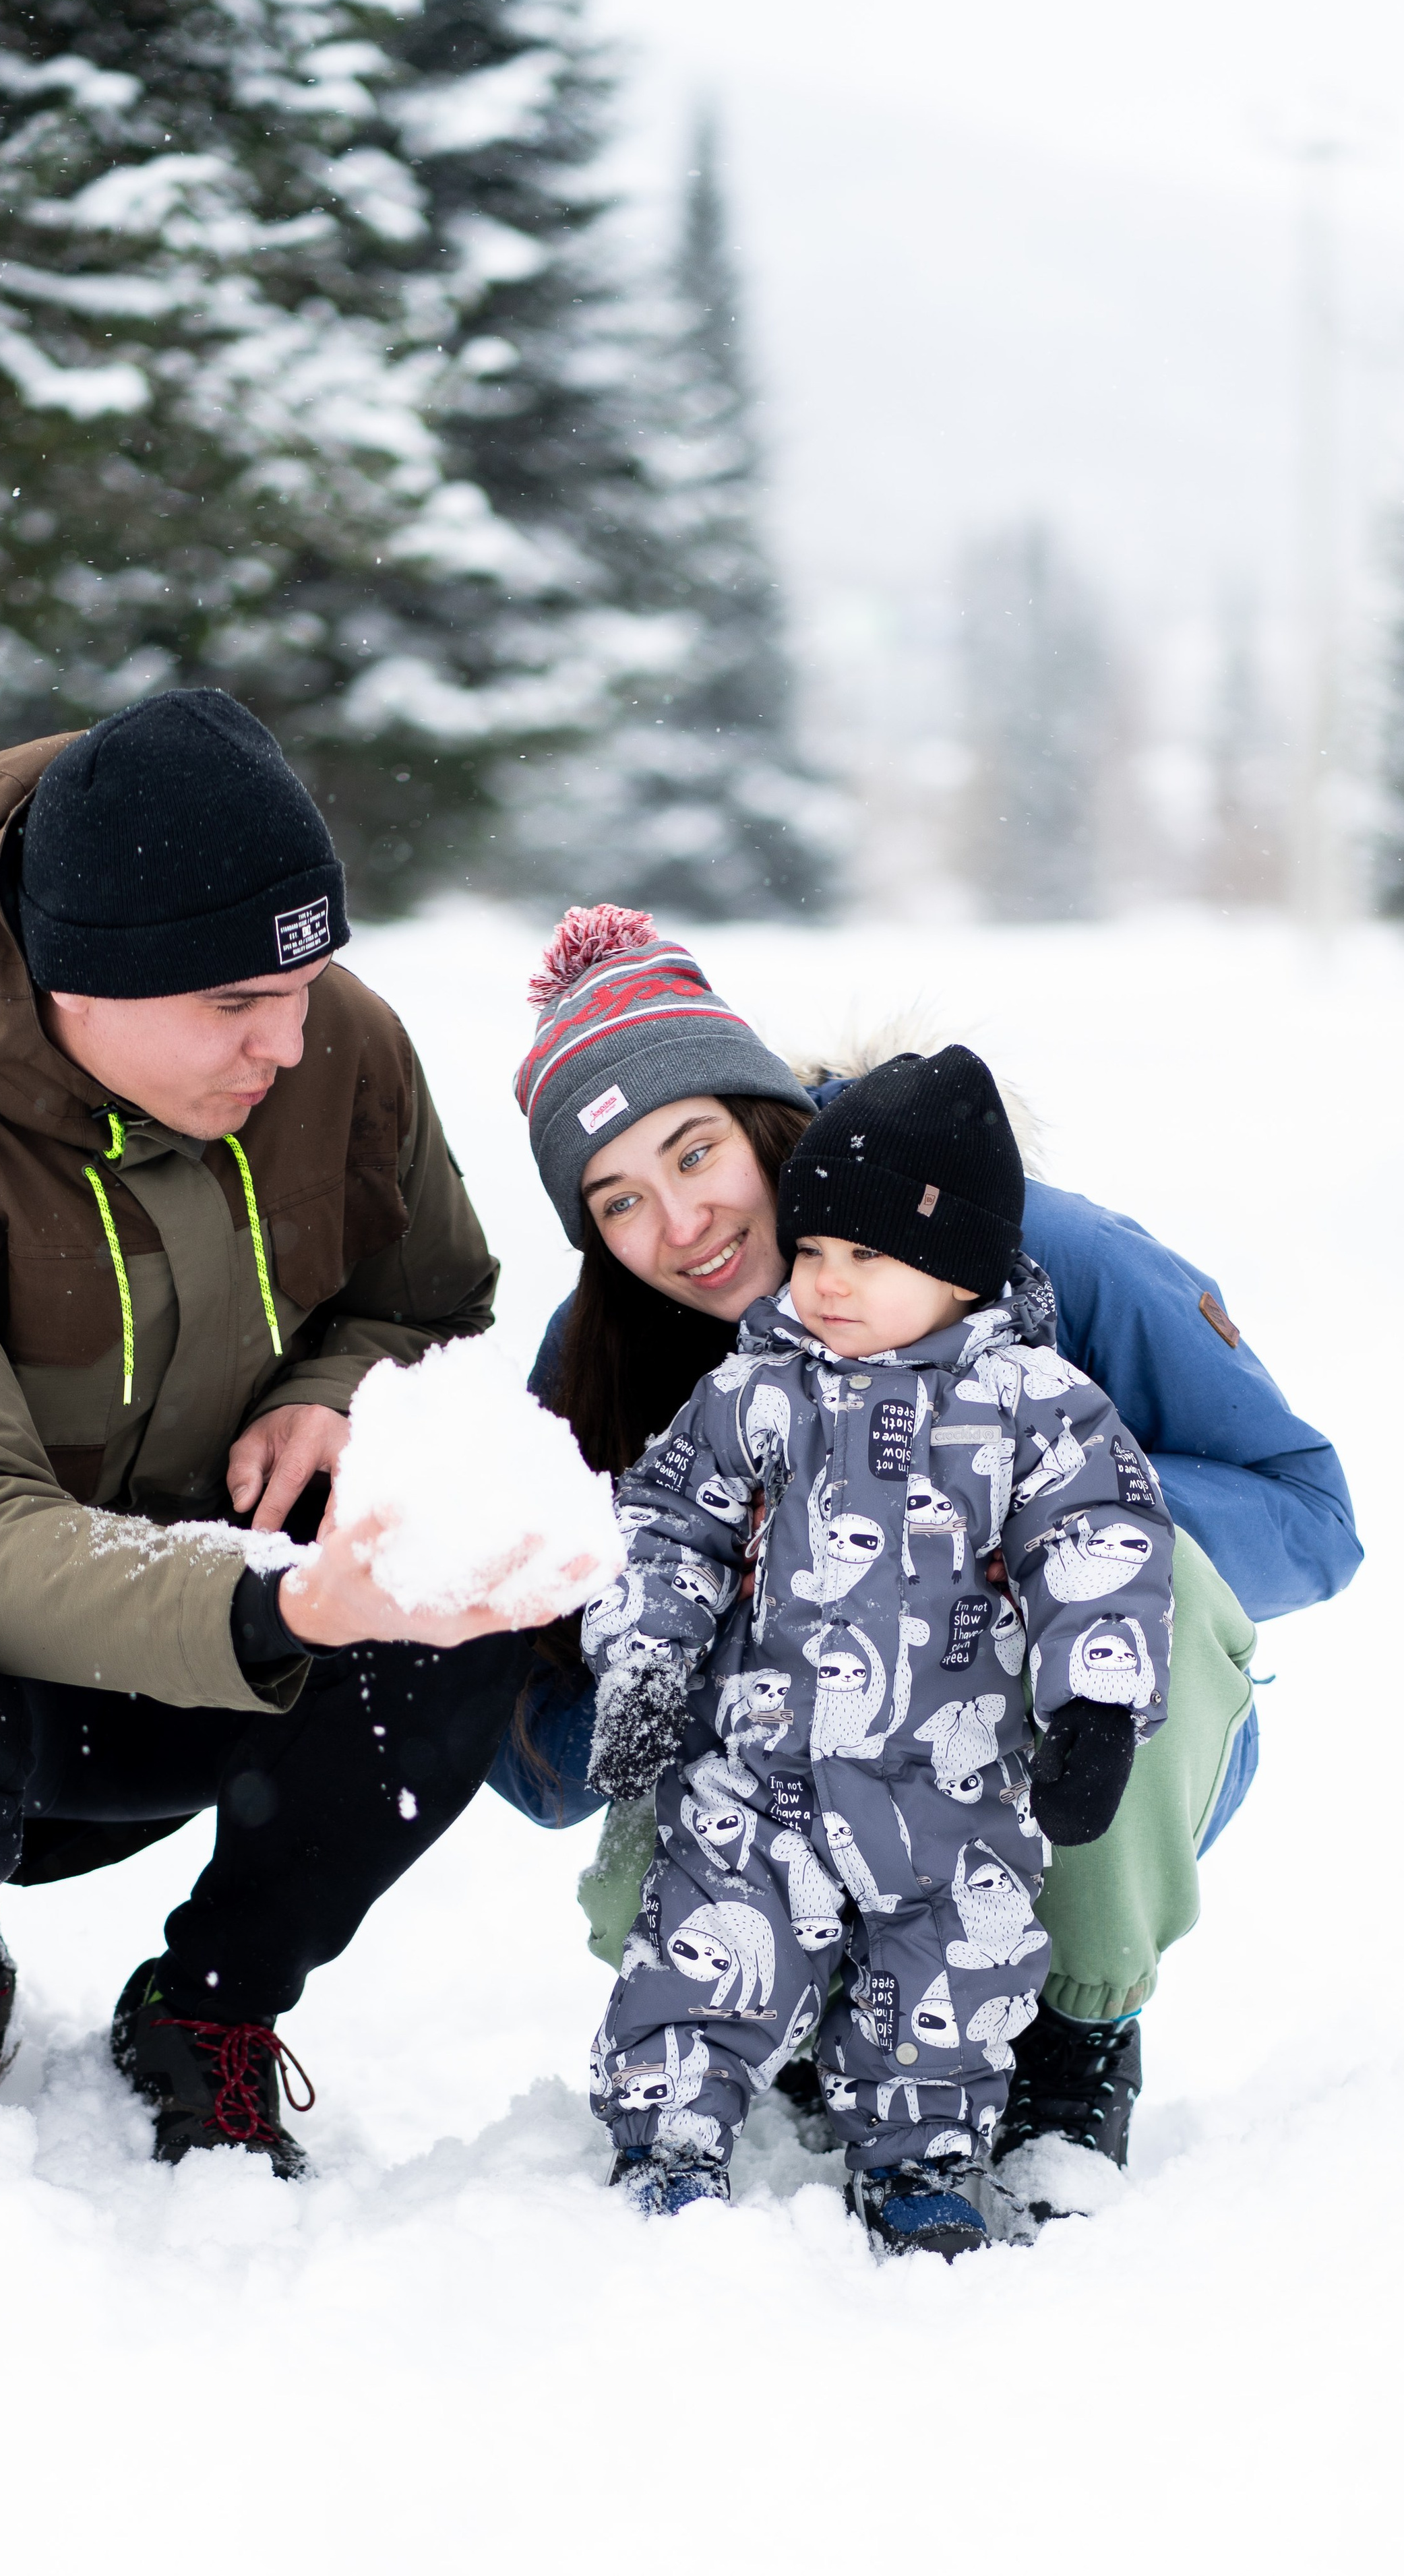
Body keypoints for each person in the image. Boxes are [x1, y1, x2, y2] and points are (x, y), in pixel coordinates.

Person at [0, 689, 545, 2168]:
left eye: (306, 986)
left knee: (459, 1602)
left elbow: (441, 1308)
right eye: (232, 1006)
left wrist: (333, 1389)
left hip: (211, 1583)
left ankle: (213, 2005)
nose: (288, 1041)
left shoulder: (329, 1039)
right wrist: (277, 1603)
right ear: (71, 982)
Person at [491, 904, 1360, 2189]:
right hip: (776, 1790)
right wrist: (640, 1657)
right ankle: (755, 2013)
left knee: (1136, 1575)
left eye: (697, 1152)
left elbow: (1309, 1512)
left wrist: (1011, 1530)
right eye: (619, 1200)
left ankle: (1076, 2026)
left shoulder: (1032, 1252)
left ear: (766, 1120)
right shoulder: (607, 1352)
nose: (680, 1225)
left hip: (1047, 1763)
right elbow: (543, 1751)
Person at [582, 1046, 1176, 2253]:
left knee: (950, 1986)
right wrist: (647, 1659)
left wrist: (1097, 1707)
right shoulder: (754, 1393)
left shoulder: (1038, 1407)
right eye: (809, 1255)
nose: (827, 1285)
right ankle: (669, 2139)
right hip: (766, 1777)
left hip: (952, 1784)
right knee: (702, 1956)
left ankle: (924, 2161)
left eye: (868, 1258)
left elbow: (1101, 1543)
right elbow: (665, 1526)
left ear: (958, 1273)